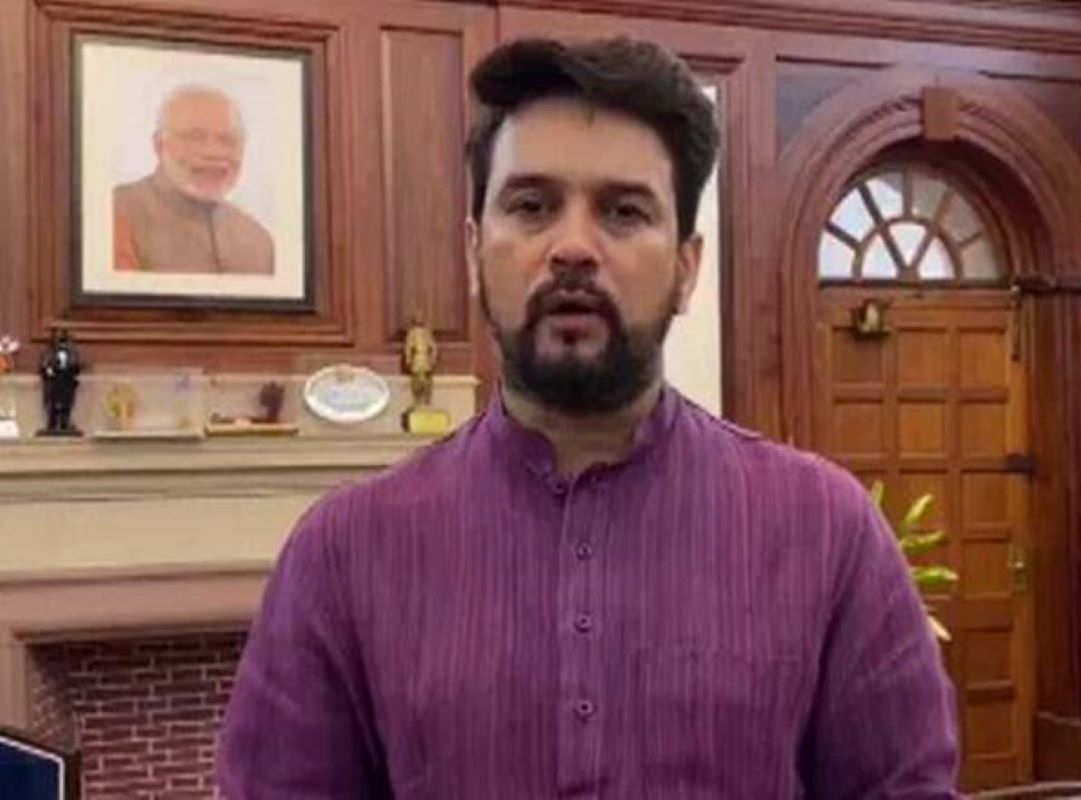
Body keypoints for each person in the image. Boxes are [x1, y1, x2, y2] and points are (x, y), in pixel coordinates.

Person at [217, 36, 959, 798]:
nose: (572, 247)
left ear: (687, 267)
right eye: (531, 206)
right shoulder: (345, 554)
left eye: (623, 211)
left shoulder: (827, 533)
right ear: (474, 252)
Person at [112, 85, 274, 275]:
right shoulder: (114, 214)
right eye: (194, 137)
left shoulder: (259, 241)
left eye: (227, 140)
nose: (213, 152)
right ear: (159, 145)